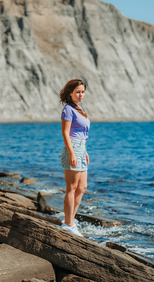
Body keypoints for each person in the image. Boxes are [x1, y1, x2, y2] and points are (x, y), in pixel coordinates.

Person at [59, 79, 90, 237]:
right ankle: (68, 224)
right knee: (71, 188)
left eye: (82, 92)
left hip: (81, 148)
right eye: (77, 92)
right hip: (73, 149)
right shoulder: (68, 110)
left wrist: (84, 152)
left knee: (82, 187)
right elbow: (66, 133)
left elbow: (81, 134)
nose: (80, 94)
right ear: (70, 93)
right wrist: (72, 153)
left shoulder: (79, 109)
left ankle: (70, 220)